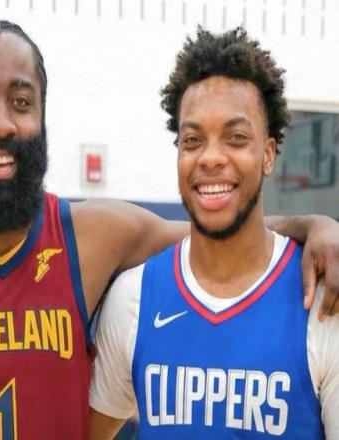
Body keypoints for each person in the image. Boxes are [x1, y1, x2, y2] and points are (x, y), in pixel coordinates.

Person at [0, 21, 339, 440]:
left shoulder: (93, 237)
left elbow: (217, 226)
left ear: (43, 117)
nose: (2, 123)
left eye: (21, 101)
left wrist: (314, 225)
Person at [89, 27, 339, 439]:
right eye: (192, 140)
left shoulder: (322, 301)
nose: (210, 157)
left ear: (268, 155)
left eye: (236, 138)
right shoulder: (133, 299)